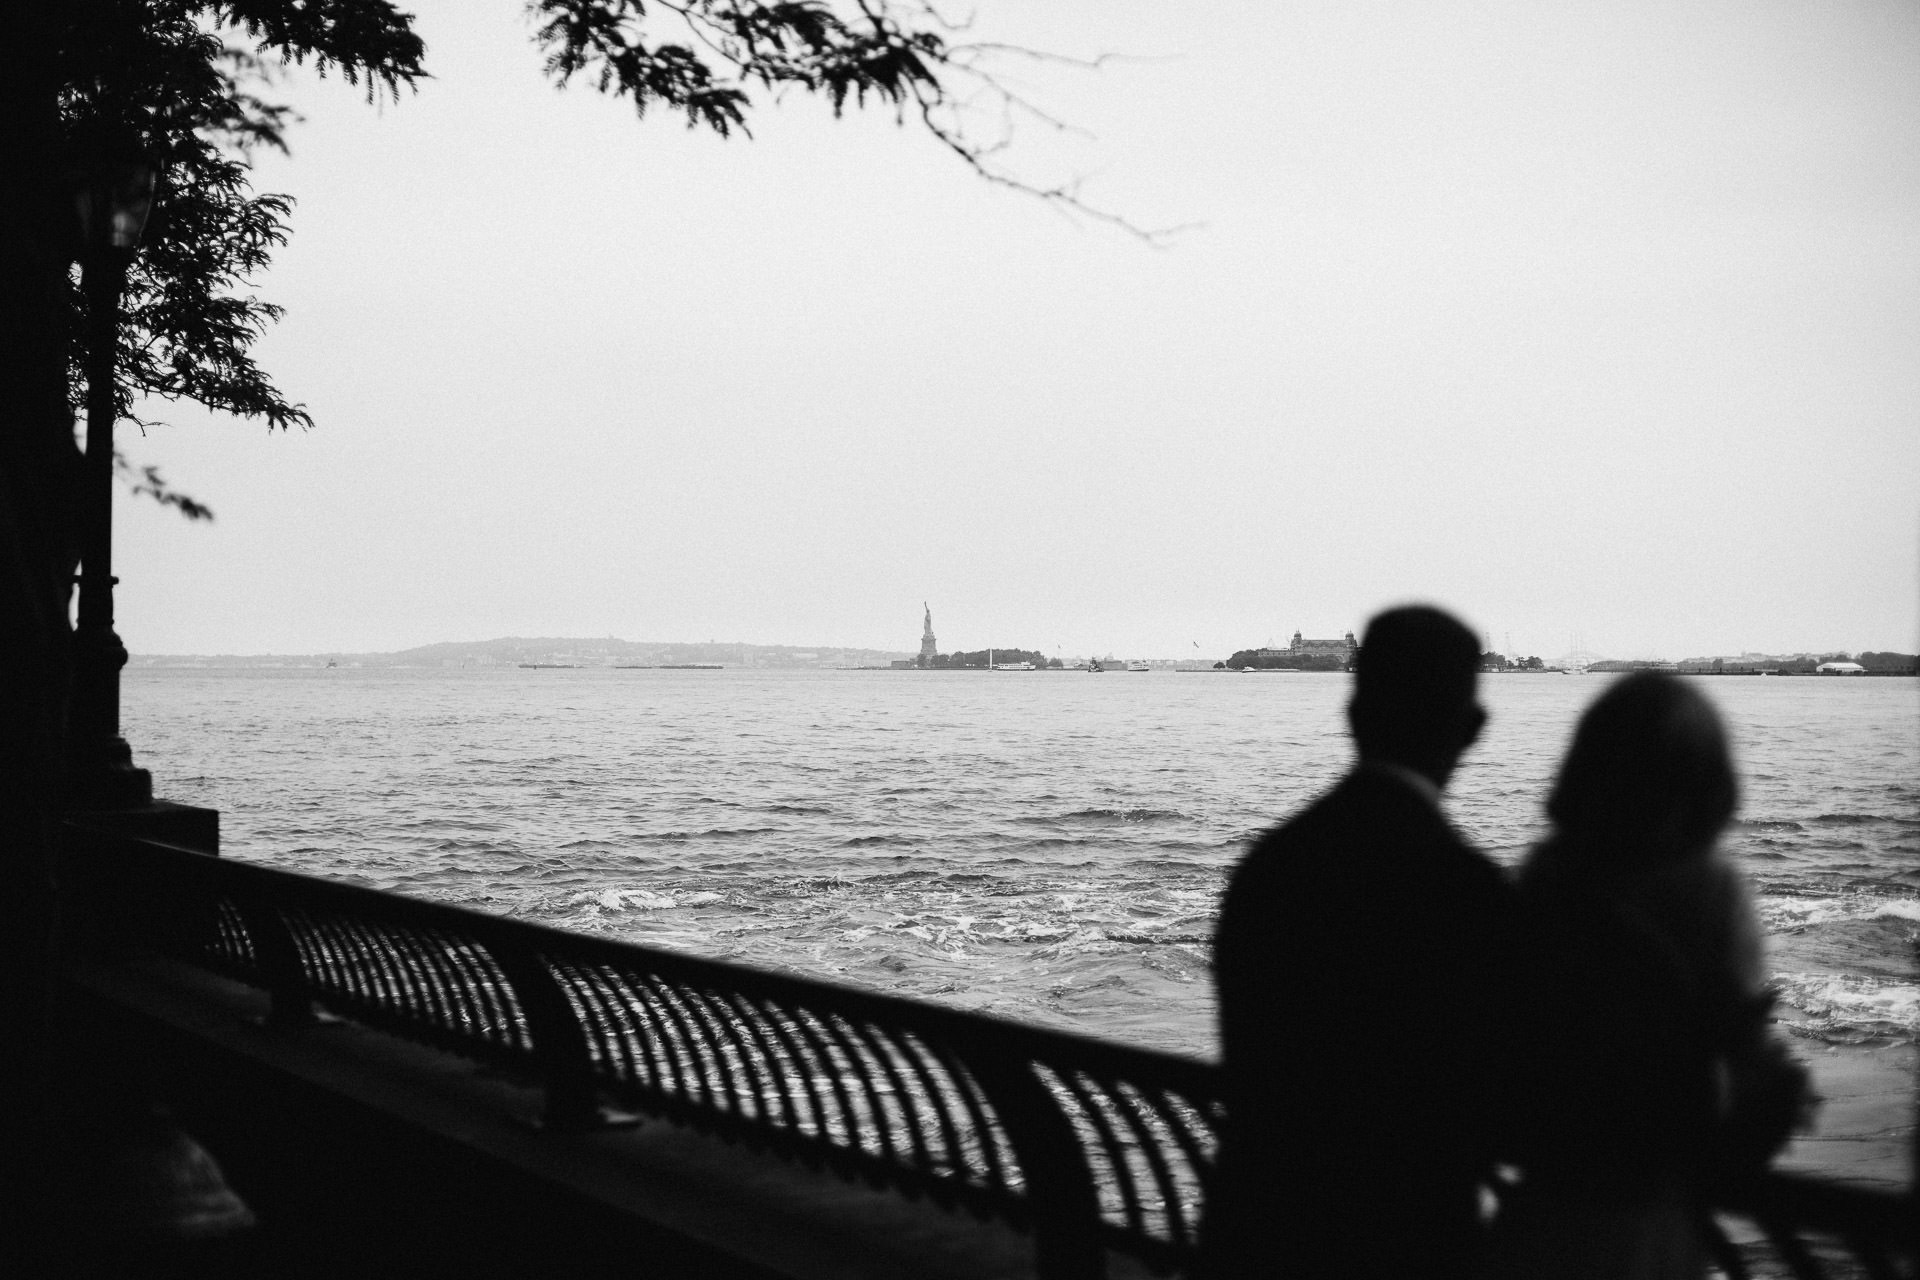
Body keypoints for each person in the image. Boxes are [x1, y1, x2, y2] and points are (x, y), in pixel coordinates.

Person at [1200, 606, 1518, 1279]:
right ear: (1471, 728)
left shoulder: (1268, 868)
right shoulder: (1468, 890)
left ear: (1353, 714)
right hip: (1404, 1244)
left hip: (1256, 1233)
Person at [1484, 672, 1811, 1280]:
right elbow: (1741, 1086)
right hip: (1647, 1230)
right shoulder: (1711, 893)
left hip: (1533, 1225)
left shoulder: (1541, 882)